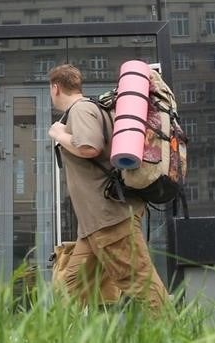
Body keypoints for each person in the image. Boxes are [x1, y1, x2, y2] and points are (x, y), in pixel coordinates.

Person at [47, 64, 167, 313]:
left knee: (140, 283)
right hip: (94, 225)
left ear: (55, 88)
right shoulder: (91, 108)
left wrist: (58, 133)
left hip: (109, 220)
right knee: (68, 288)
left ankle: (173, 334)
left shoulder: (80, 109)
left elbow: (89, 147)